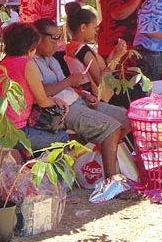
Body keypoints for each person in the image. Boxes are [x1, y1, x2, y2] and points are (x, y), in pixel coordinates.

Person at [31, 18, 130, 201]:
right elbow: (42, 93)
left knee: (128, 117)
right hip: (59, 110)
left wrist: (83, 93)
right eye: (53, 38)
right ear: (38, 38)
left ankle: (101, 160)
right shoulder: (32, 62)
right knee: (111, 128)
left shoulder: (52, 60)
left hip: (77, 100)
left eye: (59, 37)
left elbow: (67, 87)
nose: (57, 42)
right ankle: (110, 183)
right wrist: (70, 81)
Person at [0, 23, 70, 151]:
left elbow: (24, 94)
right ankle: (56, 171)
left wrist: (53, 99)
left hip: (2, 127)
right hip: (17, 130)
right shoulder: (27, 64)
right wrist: (57, 102)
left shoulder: (5, 62)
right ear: (31, 46)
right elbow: (43, 102)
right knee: (63, 137)